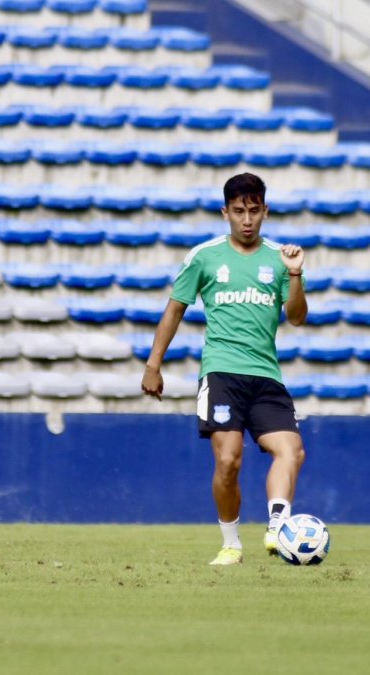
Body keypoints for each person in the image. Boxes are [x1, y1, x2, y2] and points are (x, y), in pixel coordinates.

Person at [141, 173, 308, 565]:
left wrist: (296, 274)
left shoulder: (280, 259)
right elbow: (175, 309)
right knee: (229, 461)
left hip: (266, 375)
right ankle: (231, 542)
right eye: (238, 212)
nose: (246, 220)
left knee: (292, 451)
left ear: (265, 211)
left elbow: (297, 318)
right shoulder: (205, 257)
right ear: (225, 213)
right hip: (221, 373)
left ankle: (277, 527)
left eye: (253, 211)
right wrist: (153, 365)